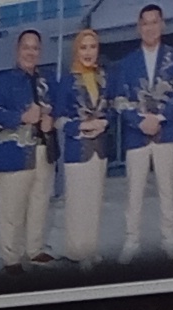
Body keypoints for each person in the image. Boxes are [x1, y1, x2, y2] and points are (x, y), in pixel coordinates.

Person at [116, 6, 173, 263]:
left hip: (165, 131)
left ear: (162, 24)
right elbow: (119, 99)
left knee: (168, 190)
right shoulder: (127, 62)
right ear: (139, 27)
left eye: (154, 22)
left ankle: (169, 238)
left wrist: (159, 118)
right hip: (136, 136)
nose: (150, 27)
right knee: (133, 191)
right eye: (145, 23)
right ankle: (131, 240)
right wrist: (139, 121)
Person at [0, 30, 56, 278]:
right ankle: (11, 258)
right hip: (12, 155)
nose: (31, 52)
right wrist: (22, 117)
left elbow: (53, 111)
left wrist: (49, 121)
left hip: (42, 152)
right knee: (11, 210)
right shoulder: (2, 81)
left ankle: (34, 250)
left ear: (40, 52)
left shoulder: (45, 82)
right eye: (26, 47)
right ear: (17, 50)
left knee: (39, 204)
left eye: (35, 48)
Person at [52, 27, 117, 270]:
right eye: (83, 47)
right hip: (77, 149)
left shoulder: (104, 77)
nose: (88, 52)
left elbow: (110, 108)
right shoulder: (67, 81)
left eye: (92, 47)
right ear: (76, 51)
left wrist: (104, 122)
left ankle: (91, 248)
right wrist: (81, 125)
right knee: (77, 204)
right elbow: (58, 118)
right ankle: (77, 253)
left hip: (99, 148)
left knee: (94, 202)